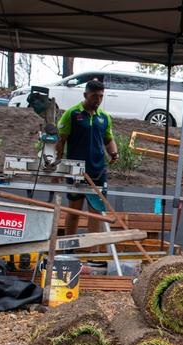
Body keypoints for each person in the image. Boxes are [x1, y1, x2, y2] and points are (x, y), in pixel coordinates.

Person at [56, 80, 119, 235]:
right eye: (94, 96)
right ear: (85, 95)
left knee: (96, 213)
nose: (98, 99)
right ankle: (68, 248)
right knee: (74, 211)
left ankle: (94, 253)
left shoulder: (104, 117)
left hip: (97, 170)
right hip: (76, 170)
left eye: (101, 96)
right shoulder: (72, 114)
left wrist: (114, 153)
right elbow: (61, 140)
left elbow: (108, 139)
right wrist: (57, 166)